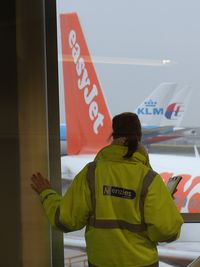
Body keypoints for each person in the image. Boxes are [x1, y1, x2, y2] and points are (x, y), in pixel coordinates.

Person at [31, 112, 183, 267]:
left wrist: (47, 194)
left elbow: (66, 220)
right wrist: (165, 205)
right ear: (139, 136)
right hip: (141, 263)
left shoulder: (91, 173)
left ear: (113, 135)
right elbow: (166, 231)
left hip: (100, 262)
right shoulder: (149, 179)